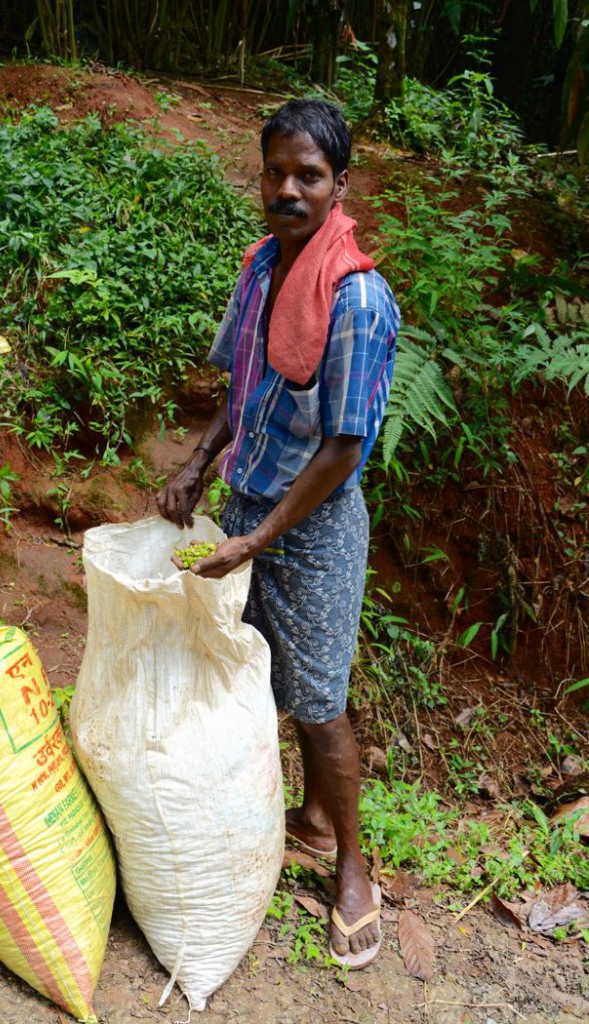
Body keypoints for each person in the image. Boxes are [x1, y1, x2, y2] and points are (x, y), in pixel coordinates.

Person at [156, 98, 400, 969]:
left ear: (340, 185)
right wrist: (195, 466)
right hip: (249, 505)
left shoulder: (357, 300)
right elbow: (246, 392)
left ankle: (352, 868)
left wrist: (256, 543)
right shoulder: (261, 269)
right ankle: (306, 813)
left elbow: (342, 448)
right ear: (259, 176)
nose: (287, 190)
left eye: (309, 176)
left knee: (321, 698)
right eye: (275, 173)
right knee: (259, 673)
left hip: (314, 524)